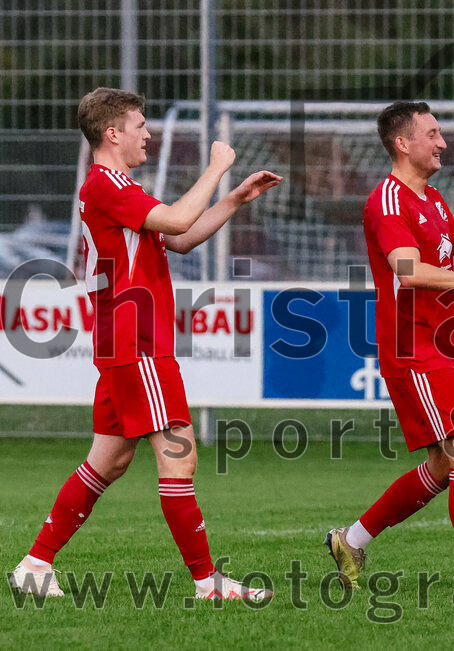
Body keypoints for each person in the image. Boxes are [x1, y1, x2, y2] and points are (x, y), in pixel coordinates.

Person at [9, 88, 281, 600]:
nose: (148, 133)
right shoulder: (107, 186)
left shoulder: (115, 187)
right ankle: (207, 583)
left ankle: (35, 564)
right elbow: (178, 220)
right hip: (137, 343)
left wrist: (235, 197)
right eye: (139, 125)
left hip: (124, 342)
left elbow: (177, 238)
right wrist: (217, 165)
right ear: (113, 133)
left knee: (107, 461)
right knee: (179, 458)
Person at [324, 101, 454, 599]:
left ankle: (351, 540)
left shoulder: (432, 199)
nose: (443, 143)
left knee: (444, 463)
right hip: (413, 351)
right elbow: (409, 272)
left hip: (440, 349)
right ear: (403, 143)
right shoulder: (387, 202)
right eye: (433, 134)